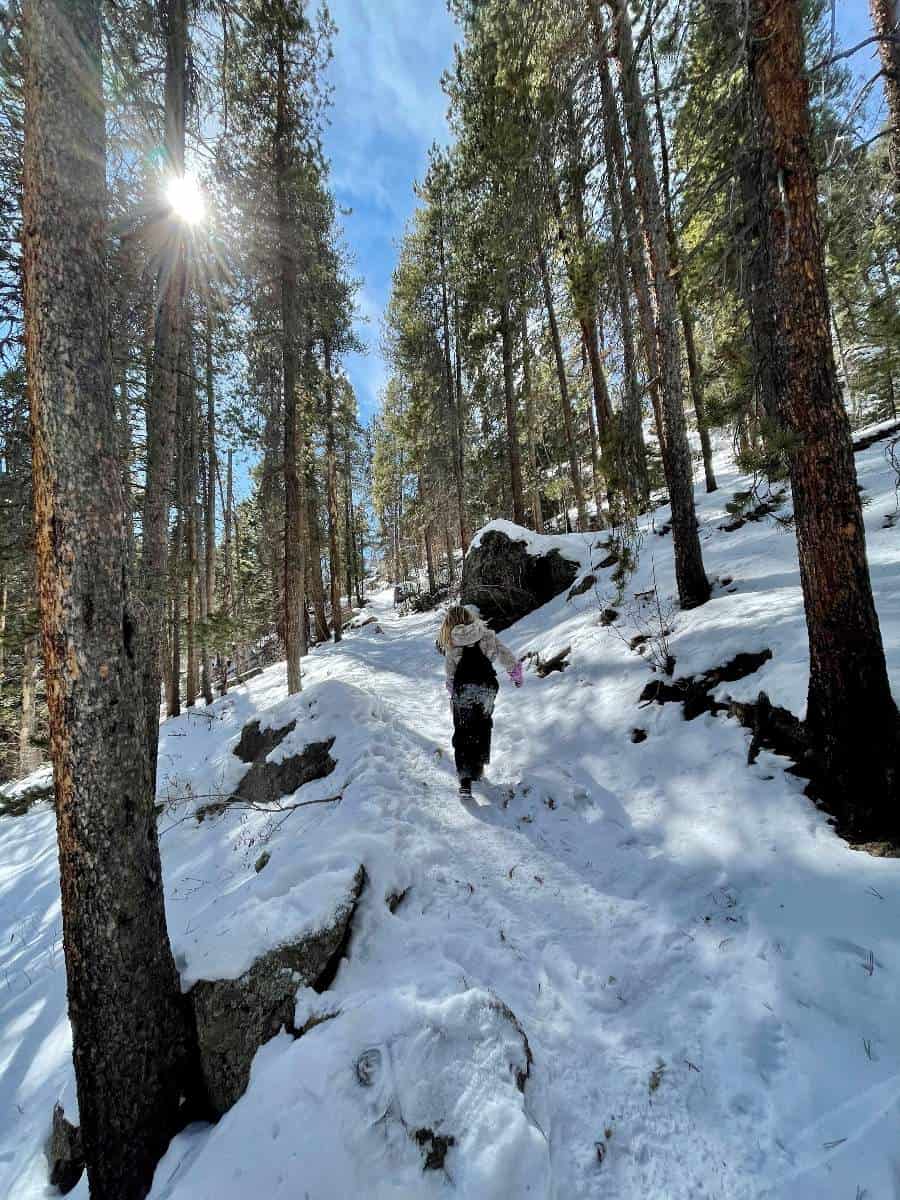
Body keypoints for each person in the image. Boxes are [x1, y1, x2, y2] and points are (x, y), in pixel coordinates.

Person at [437, 604, 523, 798]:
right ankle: (478, 768)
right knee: (483, 726)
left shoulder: (453, 644)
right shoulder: (486, 635)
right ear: (469, 617)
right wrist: (515, 674)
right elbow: (505, 654)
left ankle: (465, 782)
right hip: (487, 689)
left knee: (463, 732)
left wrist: (455, 697)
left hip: (463, 692)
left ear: (449, 623)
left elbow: (450, 676)